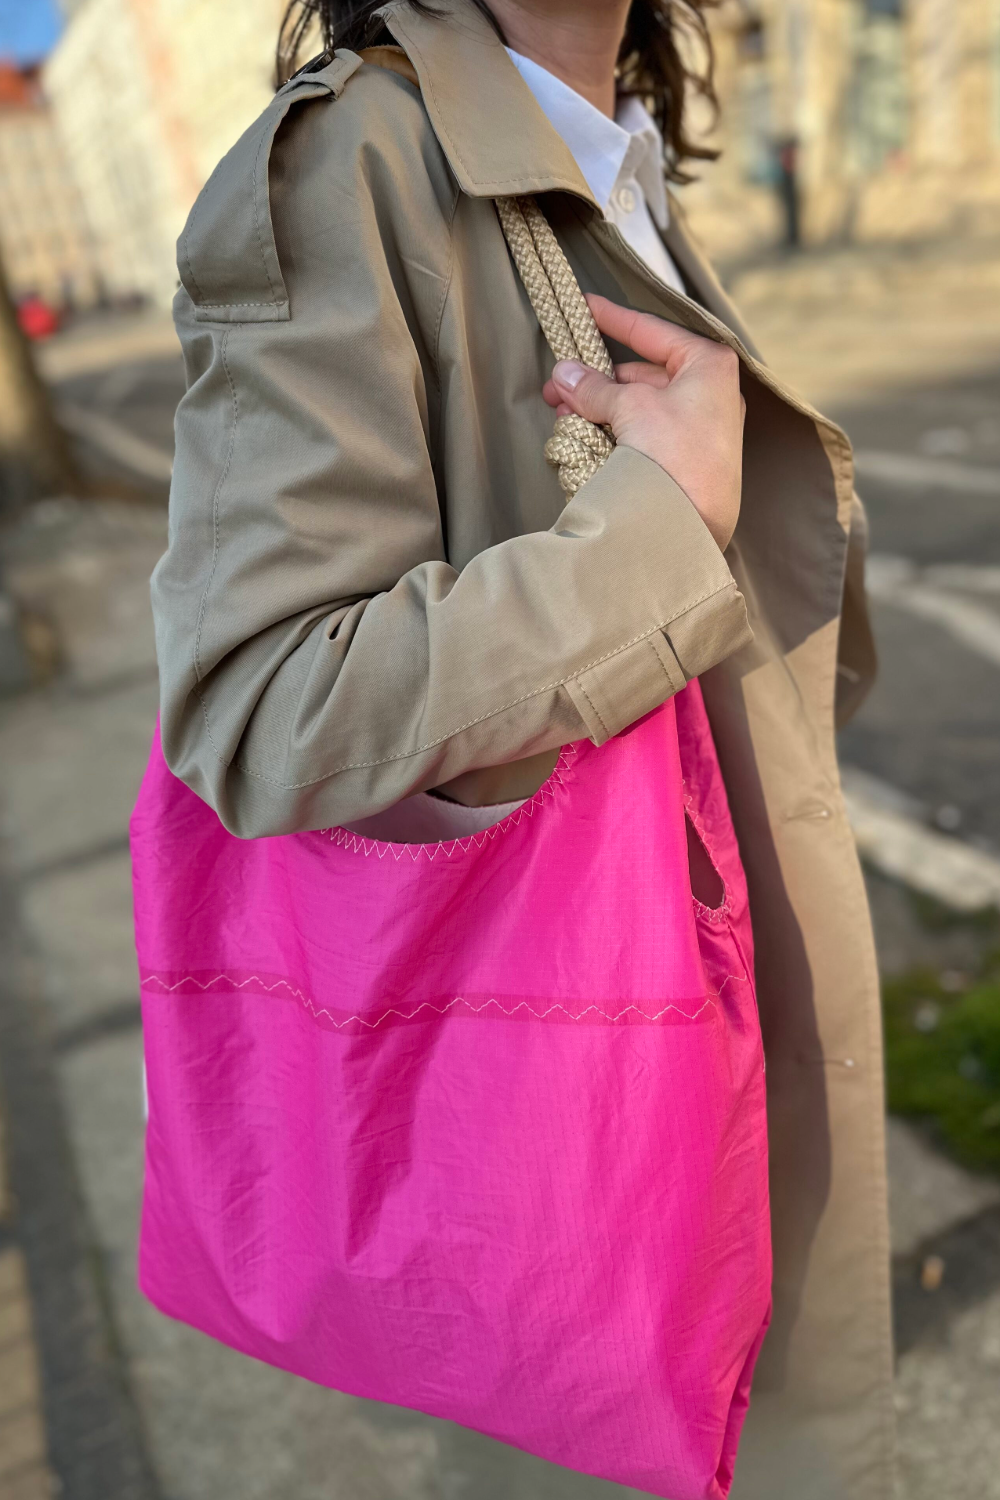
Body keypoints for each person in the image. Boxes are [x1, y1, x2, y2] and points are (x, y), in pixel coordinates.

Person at [149, 2, 892, 1496]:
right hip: (593, 1104)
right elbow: (257, 703)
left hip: (709, 999)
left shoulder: (588, 137)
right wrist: (651, 536)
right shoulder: (348, 161)